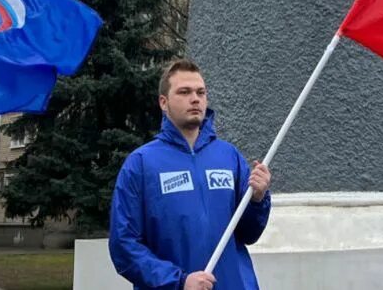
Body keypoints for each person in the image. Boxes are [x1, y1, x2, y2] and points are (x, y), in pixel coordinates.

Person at [110, 59, 272, 290]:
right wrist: (178, 281)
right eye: (184, 92)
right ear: (163, 103)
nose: (195, 99)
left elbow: (249, 233)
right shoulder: (141, 164)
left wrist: (257, 199)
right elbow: (124, 246)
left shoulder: (229, 157)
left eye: (200, 92)